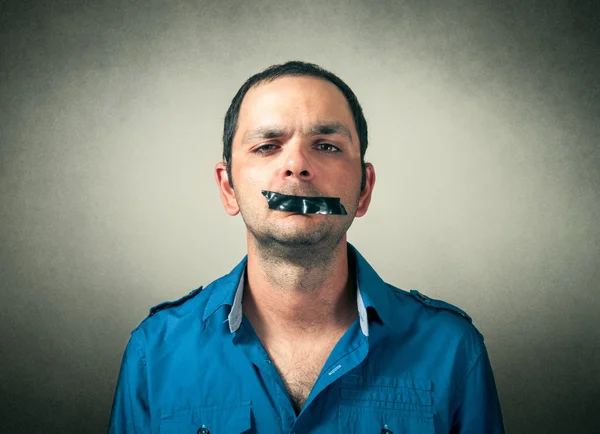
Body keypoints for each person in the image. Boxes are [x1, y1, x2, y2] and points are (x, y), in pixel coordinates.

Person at [109, 61, 505, 433]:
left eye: (327, 146)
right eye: (267, 146)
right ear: (228, 188)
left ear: (364, 189)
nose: (296, 165)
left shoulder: (452, 348)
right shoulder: (155, 353)